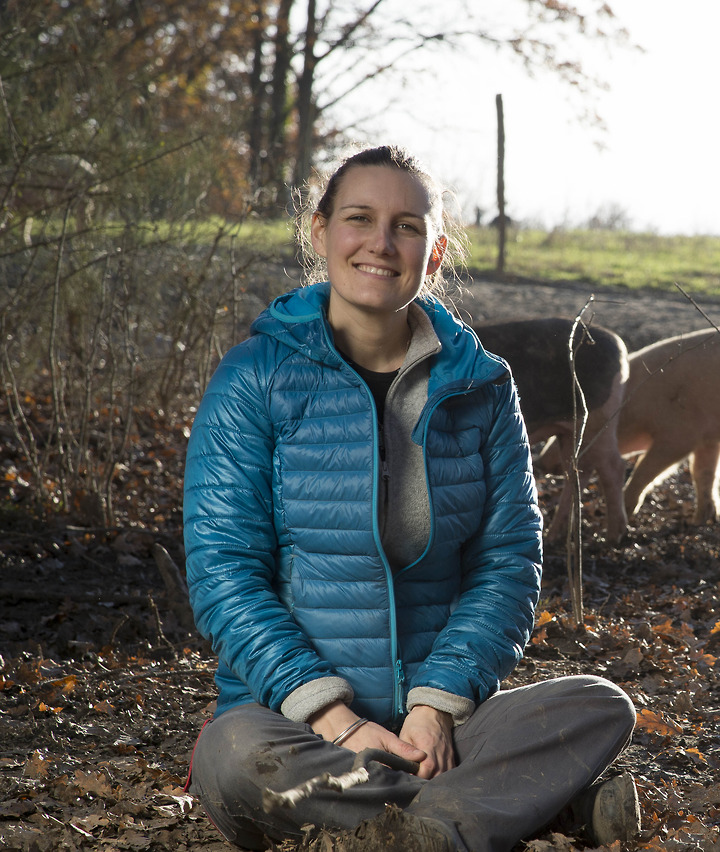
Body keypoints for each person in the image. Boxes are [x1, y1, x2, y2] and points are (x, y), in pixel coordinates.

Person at [182, 145, 639, 852]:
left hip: (444, 730)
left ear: (433, 250)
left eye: (406, 225)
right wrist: (336, 719)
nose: (381, 242)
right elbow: (224, 572)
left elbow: (508, 564)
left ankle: (416, 828)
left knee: (598, 706)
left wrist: (434, 707)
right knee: (232, 757)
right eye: (359, 218)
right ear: (321, 233)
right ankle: (500, 814)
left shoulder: (483, 388)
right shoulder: (253, 379)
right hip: (295, 727)